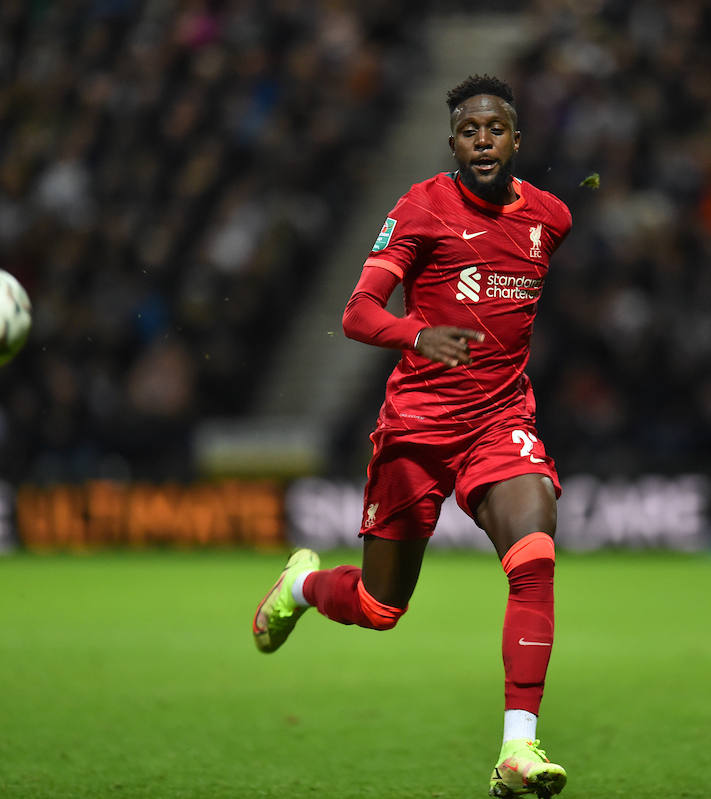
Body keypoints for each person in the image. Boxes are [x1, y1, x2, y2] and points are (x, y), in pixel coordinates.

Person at [252, 74, 571, 799]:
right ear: (453, 142)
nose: (482, 140)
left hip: (500, 422)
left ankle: (517, 749)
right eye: (468, 131)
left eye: (495, 129)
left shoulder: (551, 218)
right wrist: (417, 334)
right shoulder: (421, 207)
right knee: (379, 606)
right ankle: (300, 585)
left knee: (535, 553)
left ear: (517, 140)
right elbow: (359, 313)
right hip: (416, 432)